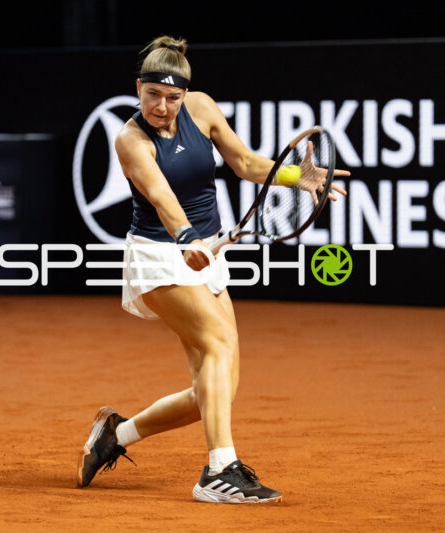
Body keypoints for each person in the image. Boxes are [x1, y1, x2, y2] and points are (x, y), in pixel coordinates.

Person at [76, 36, 348, 503]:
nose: (162, 106)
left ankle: (115, 435)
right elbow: (161, 197)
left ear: (186, 94)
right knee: (220, 344)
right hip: (159, 256)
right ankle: (219, 471)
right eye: (152, 96)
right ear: (137, 88)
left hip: (207, 253)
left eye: (172, 97)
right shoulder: (130, 139)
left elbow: (243, 162)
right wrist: (185, 239)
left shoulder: (201, 109)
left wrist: (292, 176)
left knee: (216, 386)